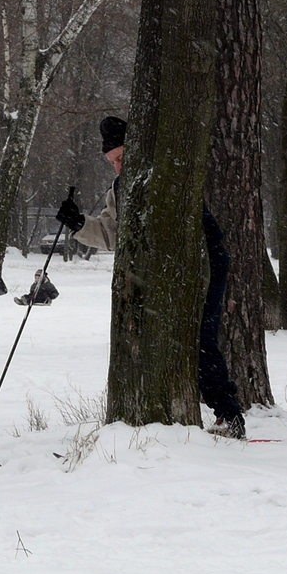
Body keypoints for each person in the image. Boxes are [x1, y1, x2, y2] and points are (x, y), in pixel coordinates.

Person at [55, 116, 246, 439]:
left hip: (205, 262)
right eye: (111, 162)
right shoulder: (120, 186)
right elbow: (114, 234)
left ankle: (230, 415)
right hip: (172, 273)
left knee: (200, 339)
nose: (116, 168)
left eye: (120, 158)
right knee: (185, 340)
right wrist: (77, 224)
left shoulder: (164, 171)